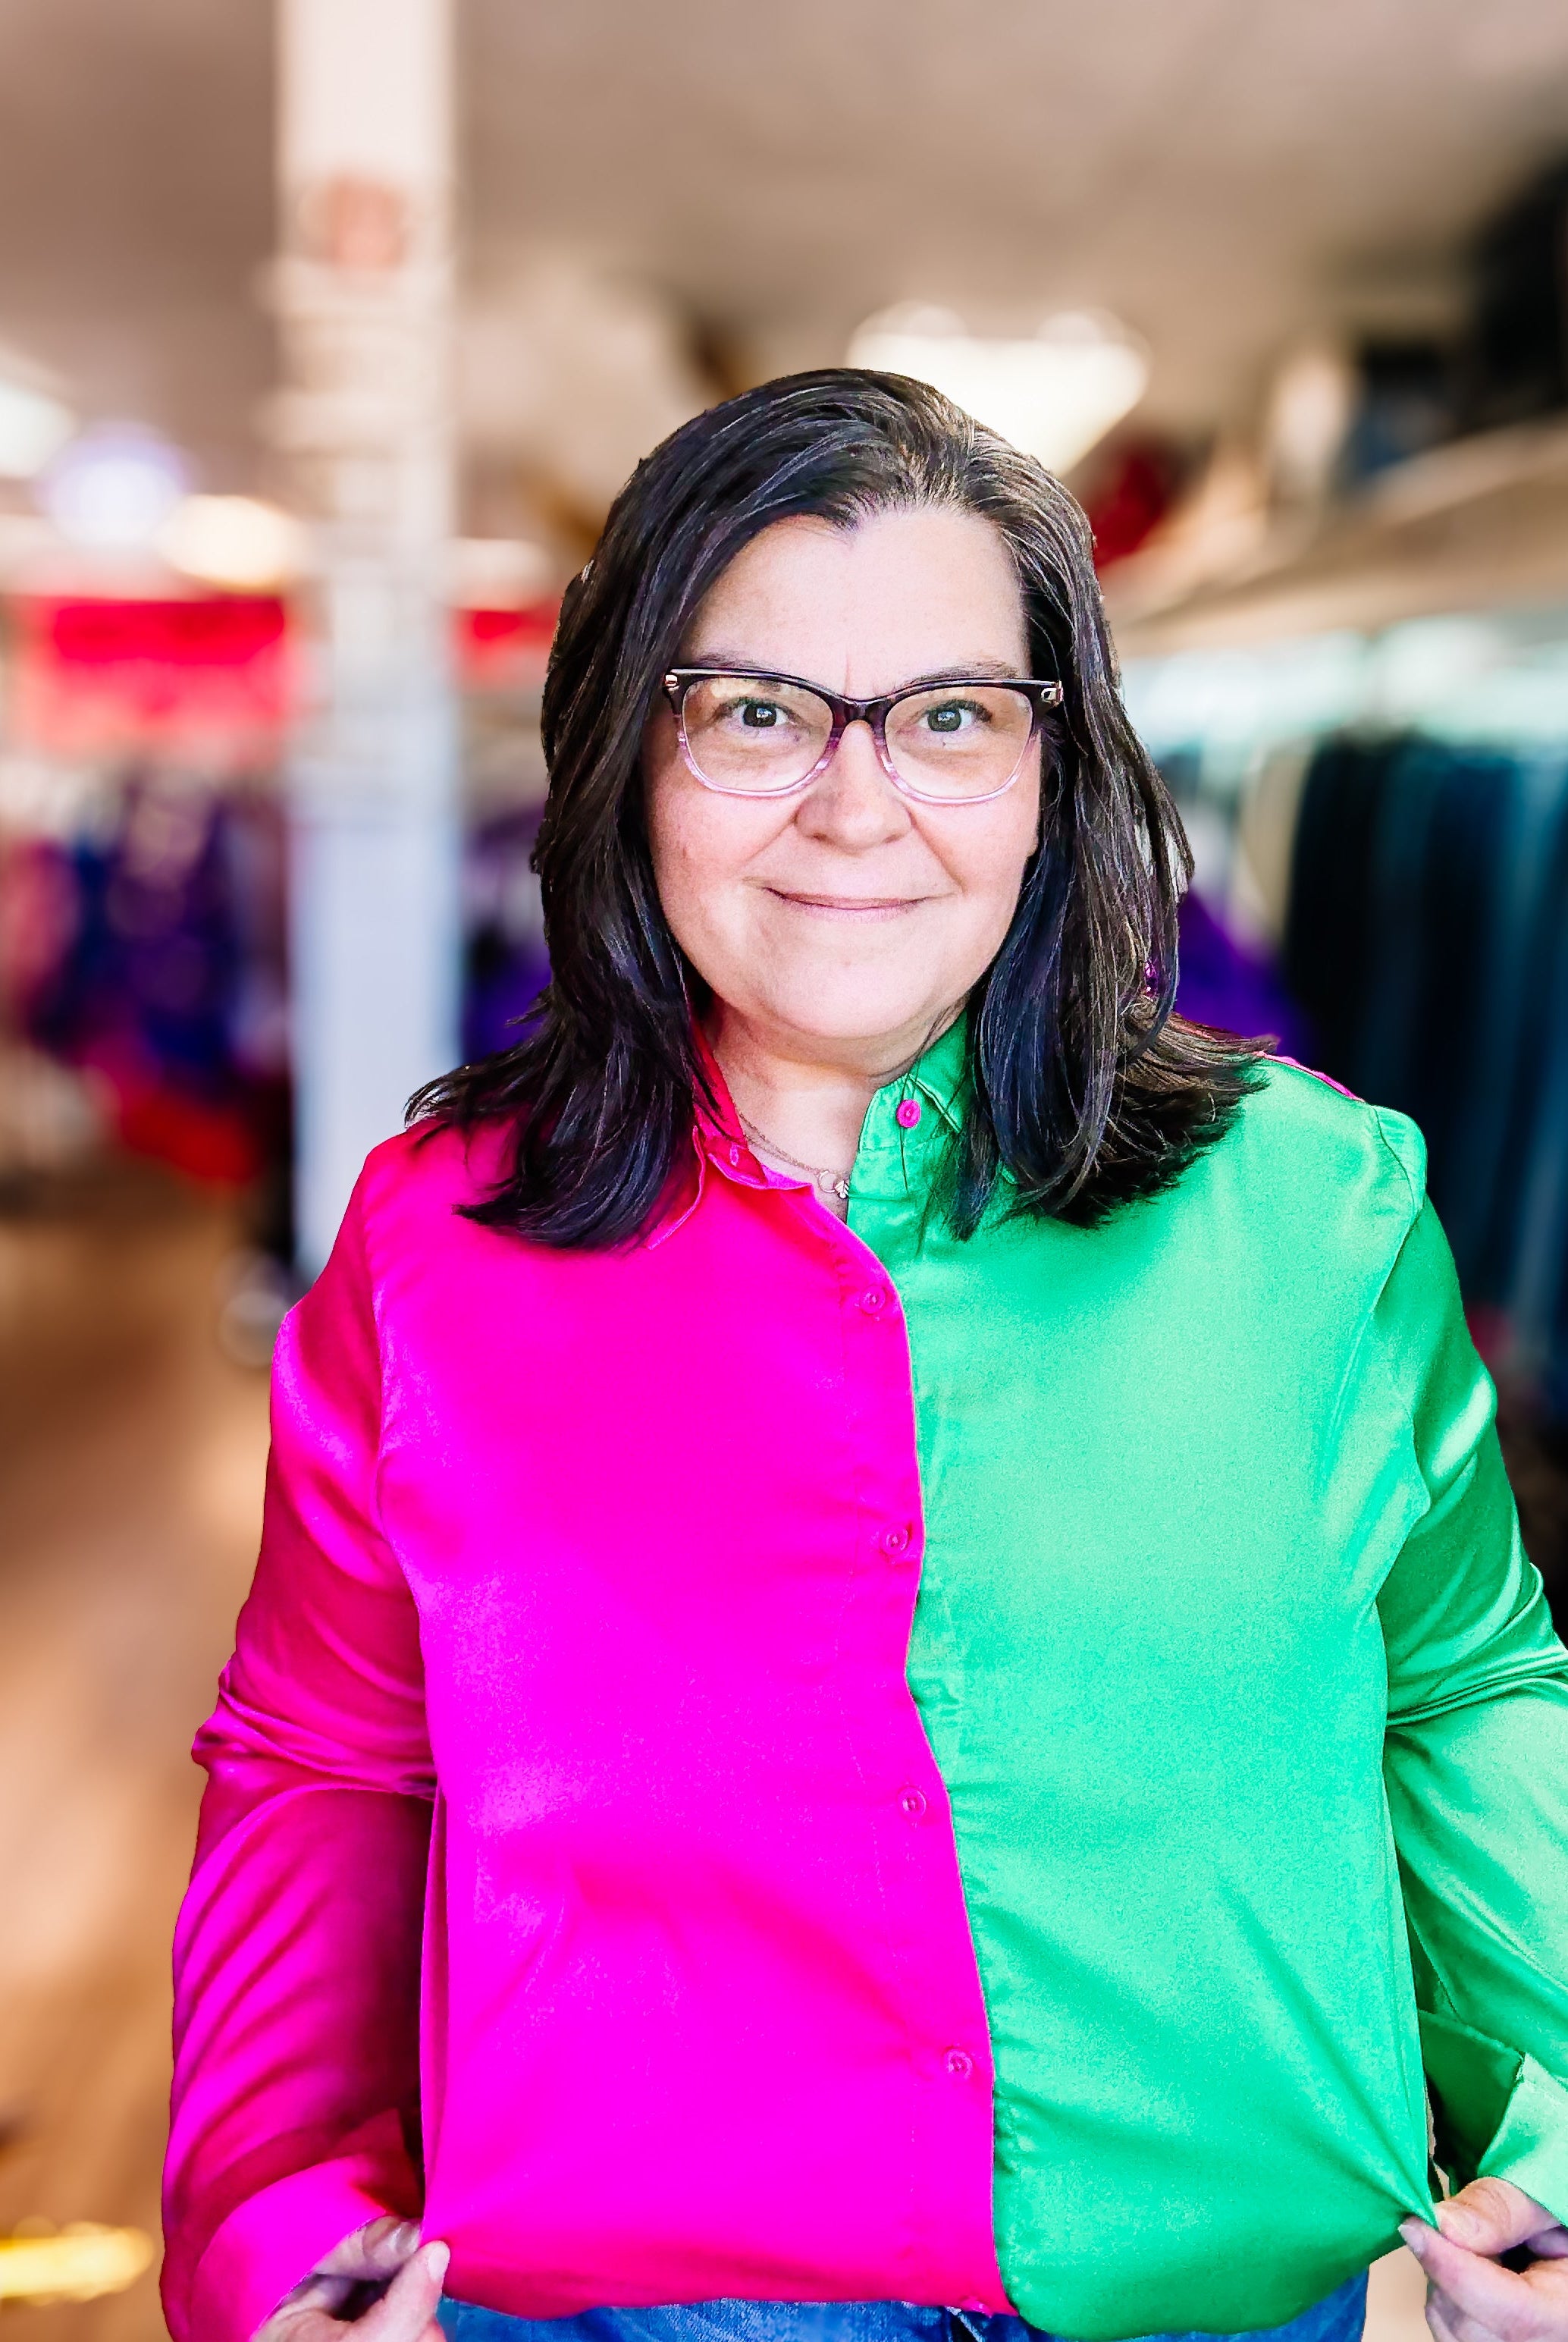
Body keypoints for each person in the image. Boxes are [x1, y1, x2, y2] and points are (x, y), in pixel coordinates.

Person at [162, 373, 1568, 2342]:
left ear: (1053, 770)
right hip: (629, 2313)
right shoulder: (433, 1254)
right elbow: (322, 1759)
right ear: (626, 751)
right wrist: (273, 2217)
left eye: (949, 718)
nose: (854, 805)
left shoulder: (1315, 1211)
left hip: (1218, 2302)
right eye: (755, 714)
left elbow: (1466, 1684)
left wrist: (1557, 2141)